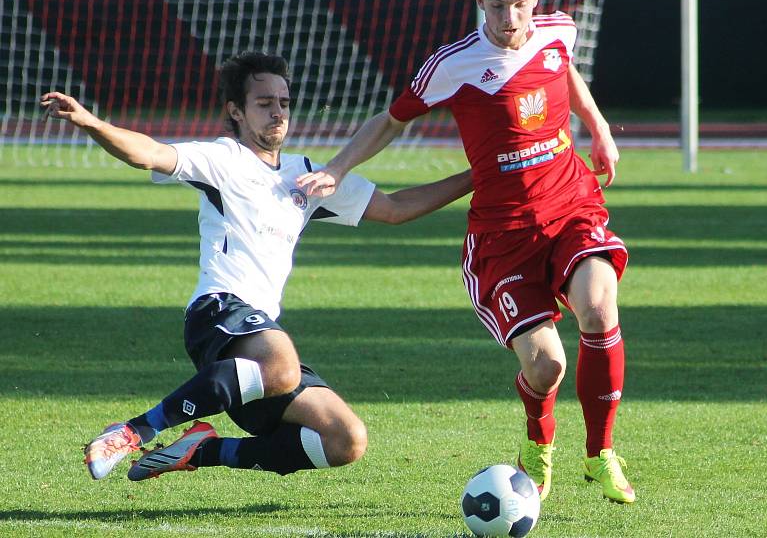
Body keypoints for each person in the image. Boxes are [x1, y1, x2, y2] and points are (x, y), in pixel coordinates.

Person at [297, 0, 634, 504]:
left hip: (571, 204)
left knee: (599, 308)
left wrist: (596, 126)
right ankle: (536, 443)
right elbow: (390, 121)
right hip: (503, 240)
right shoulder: (453, 64)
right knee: (548, 364)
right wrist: (336, 167)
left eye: (520, 4)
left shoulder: (558, 31)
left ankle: (600, 455)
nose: (509, 19)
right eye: (498, 5)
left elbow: (565, 70)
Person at [40, 51, 472, 482]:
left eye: (283, 102)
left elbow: (396, 208)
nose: (277, 112)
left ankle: (204, 451)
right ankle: (133, 431)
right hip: (218, 312)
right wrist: (92, 123)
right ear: (236, 111)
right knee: (282, 365)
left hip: (259, 348)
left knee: (345, 439)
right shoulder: (223, 159)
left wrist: (478, 175)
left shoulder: (307, 176)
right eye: (264, 103)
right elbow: (149, 154)